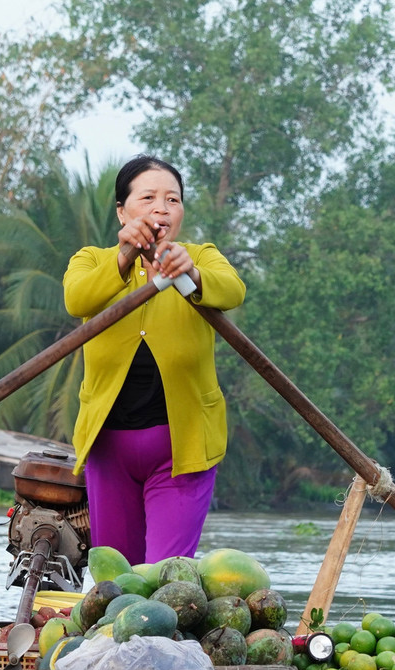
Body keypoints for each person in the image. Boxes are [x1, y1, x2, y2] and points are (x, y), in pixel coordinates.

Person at [63, 155, 246, 565]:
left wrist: (193, 274)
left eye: (173, 199)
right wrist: (125, 256)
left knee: (165, 575)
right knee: (115, 577)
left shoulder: (200, 255)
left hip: (181, 448)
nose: (161, 208)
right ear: (121, 211)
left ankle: (163, 630)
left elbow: (232, 290)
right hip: (109, 446)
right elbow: (78, 299)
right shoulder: (92, 259)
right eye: (148, 198)